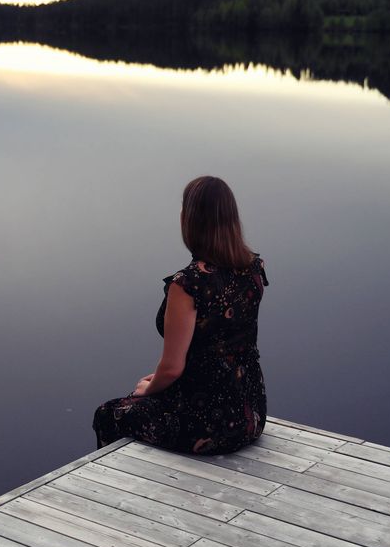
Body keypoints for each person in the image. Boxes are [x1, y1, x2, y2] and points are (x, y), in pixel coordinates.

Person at [93, 176, 268, 454]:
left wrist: (149, 388)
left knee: (109, 414)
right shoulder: (253, 268)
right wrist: (160, 379)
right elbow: (218, 348)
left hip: (209, 424)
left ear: (191, 220)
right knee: (148, 395)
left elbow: (173, 367)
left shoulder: (188, 285)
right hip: (251, 414)